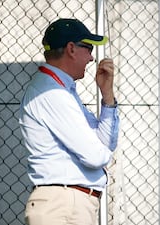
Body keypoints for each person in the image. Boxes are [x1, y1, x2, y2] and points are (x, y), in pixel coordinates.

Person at [19, 18, 119, 225]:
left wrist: (107, 95)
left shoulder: (62, 89)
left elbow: (105, 143)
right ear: (71, 49)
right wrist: (101, 151)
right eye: (89, 48)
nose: (91, 58)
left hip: (67, 204)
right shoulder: (51, 92)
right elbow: (95, 156)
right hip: (63, 205)